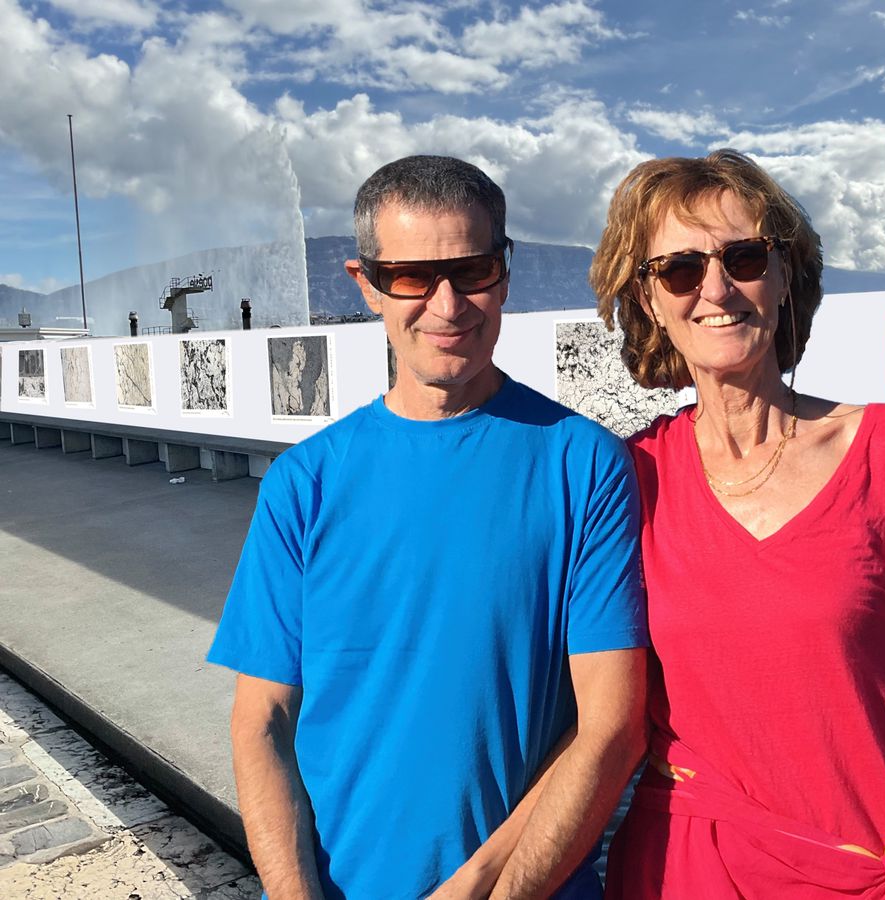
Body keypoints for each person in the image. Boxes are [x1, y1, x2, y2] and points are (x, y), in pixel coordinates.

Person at [208, 155, 648, 900]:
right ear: (366, 284)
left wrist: (485, 888)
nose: (447, 305)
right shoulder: (303, 483)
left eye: (472, 270)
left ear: (504, 274)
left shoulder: (585, 465)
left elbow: (612, 726)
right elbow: (263, 723)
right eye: (412, 277)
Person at [588, 149, 885, 900]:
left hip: (873, 869)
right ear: (649, 300)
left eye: (743, 257)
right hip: (688, 871)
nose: (716, 289)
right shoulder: (628, 477)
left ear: (783, 276)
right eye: (679, 269)